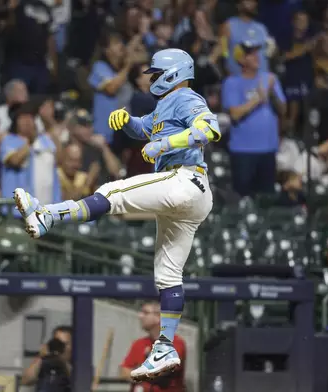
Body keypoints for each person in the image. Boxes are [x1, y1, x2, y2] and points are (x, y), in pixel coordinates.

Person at [14, 48, 219, 381]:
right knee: (167, 275)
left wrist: (164, 147)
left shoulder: (185, 97)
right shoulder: (165, 104)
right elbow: (148, 130)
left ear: (173, 73)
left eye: (155, 74)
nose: (150, 79)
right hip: (190, 193)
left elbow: (209, 129)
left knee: (111, 191)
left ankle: (48, 216)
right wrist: (129, 123)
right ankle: (165, 345)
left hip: (185, 179)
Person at [222, 41, 286, 197]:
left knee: (267, 198)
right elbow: (235, 114)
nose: (257, 57)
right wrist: (258, 98)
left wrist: (271, 94)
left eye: (256, 53)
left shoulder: (270, 79)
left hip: (268, 149)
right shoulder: (232, 83)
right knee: (243, 198)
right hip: (243, 151)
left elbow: (283, 110)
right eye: (250, 54)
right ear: (241, 59)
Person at [120, 301, 186, 392]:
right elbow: (124, 371)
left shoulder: (176, 343)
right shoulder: (139, 343)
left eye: (145, 313)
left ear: (158, 317)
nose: (140, 316)